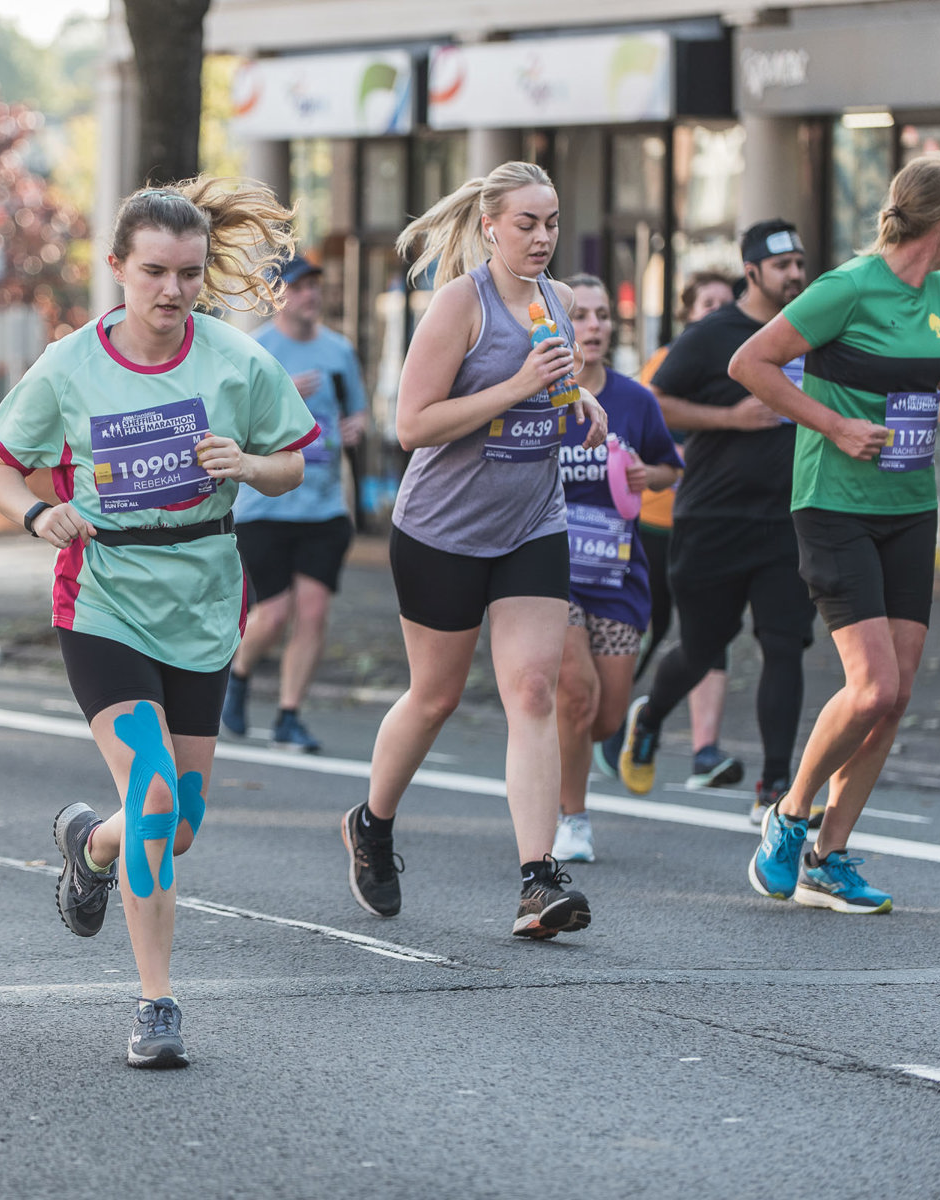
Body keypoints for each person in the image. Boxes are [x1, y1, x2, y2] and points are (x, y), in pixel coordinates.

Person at [0, 179, 316, 1069]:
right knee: (157, 796)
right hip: (105, 600)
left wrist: (245, 463)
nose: (173, 291)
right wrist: (36, 514)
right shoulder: (70, 365)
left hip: (204, 600)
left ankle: (91, 844)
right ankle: (156, 1003)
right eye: (156, 272)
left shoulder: (237, 360)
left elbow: (293, 463)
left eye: (190, 274)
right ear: (119, 269)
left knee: (178, 823)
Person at [339, 161, 607, 937]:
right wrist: (520, 385)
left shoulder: (556, 300)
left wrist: (579, 398)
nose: (542, 237)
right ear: (490, 226)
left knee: (533, 690)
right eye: (527, 223)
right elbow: (412, 425)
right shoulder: (462, 303)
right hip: (443, 530)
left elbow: (551, 383)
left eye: (551, 222)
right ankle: (371, 824)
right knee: (436, 697)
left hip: (532, 522)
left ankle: (538, 881)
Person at [733, 153, 940, 914]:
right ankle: (789, 815)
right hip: (834, 503)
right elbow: (752, 363)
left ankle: (828, 858)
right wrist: (835, 425)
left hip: (909, 505)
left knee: (895, 696)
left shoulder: (938, 290)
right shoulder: (847, 286)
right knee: (872, 687)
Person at [616, 218, 817, 822]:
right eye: (782, 266)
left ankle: (774, 789)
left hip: (788, 519)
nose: (795, 275)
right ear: (751, 272)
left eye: (799, 264)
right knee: (703, 646)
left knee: (784, 645)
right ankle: (650, 716)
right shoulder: (712, 335)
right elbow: (656, 402)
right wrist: (731, 418)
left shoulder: (813, 329)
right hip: (713, 517)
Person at [550, 276, 682, 863]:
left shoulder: (636, 400)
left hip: (616, 574)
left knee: (602, 720)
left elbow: (669, 467)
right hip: (551, 573)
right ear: (559, 325)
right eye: (581, 315)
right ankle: (571, 818)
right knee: (575, 695)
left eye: (603, 315)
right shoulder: (540, 396)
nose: (595, 326)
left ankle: (558, 749)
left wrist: (646, 476)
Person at [220, 253, 367, 754]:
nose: (310, 295)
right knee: (275, 613)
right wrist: (283, 396)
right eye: (300, 287)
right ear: (278, 294)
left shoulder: (339, 350)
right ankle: (239, 675)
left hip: (324, 507)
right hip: (265, 508)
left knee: (314, 612)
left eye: (314, 286)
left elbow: (357, 413)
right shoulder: (257, 350)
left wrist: (356, 427)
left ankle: (288, 715)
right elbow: (231, 426)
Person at [606, 270, 740, 788]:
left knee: (713, 631)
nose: (717, 311)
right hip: (659, 522)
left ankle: (706, 751)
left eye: (726, 302)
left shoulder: (746, 366)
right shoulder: (665, 365)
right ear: (688, 312)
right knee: (652, 625)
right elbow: (635, 437)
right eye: (707, 302)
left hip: (716, 522)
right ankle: (608, 720)